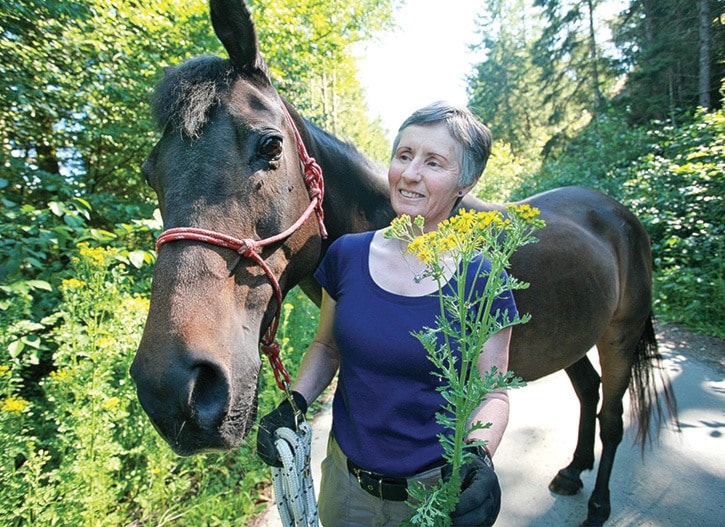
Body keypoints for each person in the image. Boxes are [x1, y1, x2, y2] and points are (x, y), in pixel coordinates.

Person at [257, 101, 517, 527]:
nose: (410, 174)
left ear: (466, 182)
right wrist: (295, 404)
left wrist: (479, 457)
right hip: (346, 489)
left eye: (433, 162)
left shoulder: (481, 277)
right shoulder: (347, 254)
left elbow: (494, 392)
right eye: (403, 155)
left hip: (436, 499)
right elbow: (327, 347)